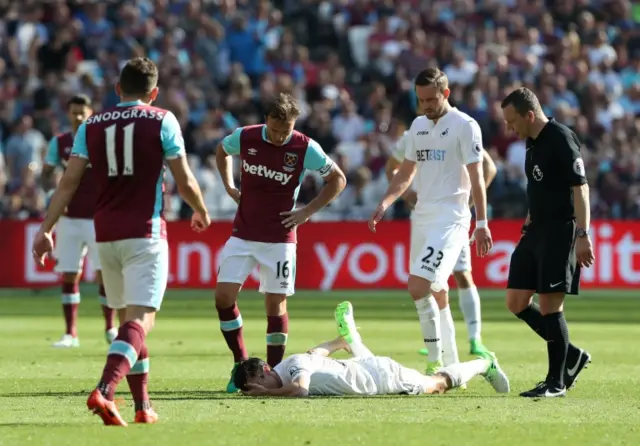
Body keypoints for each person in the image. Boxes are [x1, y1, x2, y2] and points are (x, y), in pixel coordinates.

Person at [32, 57, 211, 426]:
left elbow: (68, 182)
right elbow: (184, 178)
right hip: (145, 232)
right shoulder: (163, 119)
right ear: (155, 92)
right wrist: (201, 209)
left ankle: (143, 406)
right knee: (142, 320)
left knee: (130, 319)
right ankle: (106, 389)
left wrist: (46, 228)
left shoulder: (92, 125)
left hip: (105, 235)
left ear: (117, 90)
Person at [215, 92, 347, 393]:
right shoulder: (245, 137)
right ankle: (241, 364)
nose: (279, 136)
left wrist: (307, 212)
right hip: (243, 233)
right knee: (223, 297)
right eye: (275, 130)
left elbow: (338, 179)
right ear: (266, 121)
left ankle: (273, 373)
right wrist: (229, 185)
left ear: (293, 124)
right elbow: (221, 151)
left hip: (280, 237)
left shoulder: (304, 147)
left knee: (275, 306)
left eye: (285, 130)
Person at [369, 68, 493, 376]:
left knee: (418, 285)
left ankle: (435, 359)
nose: (425, 105)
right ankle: (452, 366)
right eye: (420, 99)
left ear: (446, 94)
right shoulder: (418, 126)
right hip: (422, 217)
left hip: (452, 218)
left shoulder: (465, 125)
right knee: (436, 290)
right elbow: (406, 171)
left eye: (431, 99)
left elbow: (479, 175)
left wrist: (481, 223)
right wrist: (386, 201)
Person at [500, 87, 594, 398]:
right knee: (516, 301)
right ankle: (571, 355)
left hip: (560, 231)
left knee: (552, 306)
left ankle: (556, 382)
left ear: (529, 115)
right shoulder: (531, 143)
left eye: (513, 121)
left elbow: (580, 188)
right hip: (536, 230)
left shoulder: (560, 137)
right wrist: (527, 224)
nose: (510, 128)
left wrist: (583, 235)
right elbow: (538, 188)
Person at [232, 301, 510, 397]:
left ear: (266, 369)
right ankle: (349, 338)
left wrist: (268, 392)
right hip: (364, 368)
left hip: (380, 379)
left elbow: (301, 390)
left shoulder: (291, 369)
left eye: (259, 381)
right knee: (356, 355)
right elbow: (315, 354)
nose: (260, 388)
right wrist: (336, 344)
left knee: (437, 384)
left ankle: (485, 364)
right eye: (252, 388)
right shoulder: (286, 367)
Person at [385, 126, 497, 360]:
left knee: (462, 275)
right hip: (424, 218)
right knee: (427, 282)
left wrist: (468, 202)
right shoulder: (412, 135)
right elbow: (391, 168)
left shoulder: (457, 128)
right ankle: (439, 341)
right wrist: (407, 195)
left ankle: (475, 339)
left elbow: (489, 167)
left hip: (451, 219)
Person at [41, 95, 117, 348]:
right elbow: (47, 171)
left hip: (99, 218)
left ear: (90, 113)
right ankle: (70, 333)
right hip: (70, 219)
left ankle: (110, 328)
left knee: (103, 275)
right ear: (68, 114)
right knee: (69, 274)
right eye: (73, 113)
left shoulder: (101, 140)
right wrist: (49, 188)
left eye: (81, 113)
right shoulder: (60, 142)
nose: (78, 117)